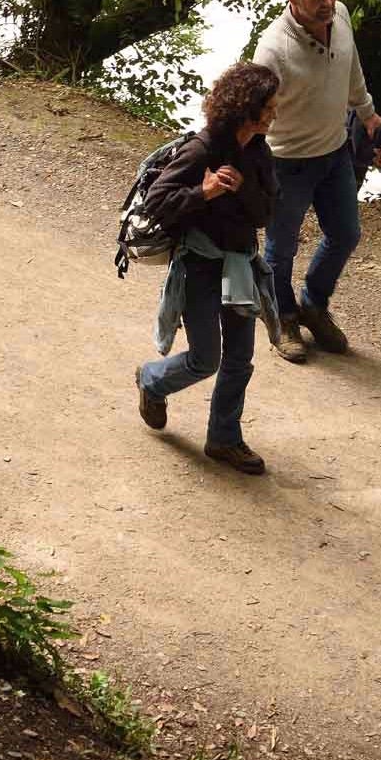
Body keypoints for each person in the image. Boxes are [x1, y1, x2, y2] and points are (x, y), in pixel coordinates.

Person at [132, 62, 282, 476]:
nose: (273, 114)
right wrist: (206, 191)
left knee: (240, 358)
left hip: (240, 267)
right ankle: (151, 380)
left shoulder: (259, 152)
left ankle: (224, 439)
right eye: (268, 107)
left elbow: (267, 210)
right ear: (246, 107)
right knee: (205, 358)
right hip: (200, 266)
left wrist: (241, 188)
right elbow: (159, 201)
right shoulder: (203, 148)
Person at [252, 0, 381, 360]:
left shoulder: (341, 15)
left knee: (346, 234)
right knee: (280, 250)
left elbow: (351, 67)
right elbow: (252, 111)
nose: (328, 2)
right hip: (288, 163)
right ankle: (282, 318)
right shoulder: (273, 49)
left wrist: (368, 115)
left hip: (335, 153)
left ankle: (313, 306)